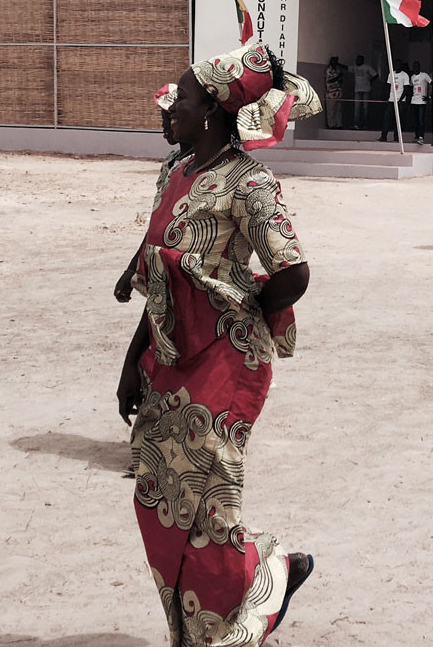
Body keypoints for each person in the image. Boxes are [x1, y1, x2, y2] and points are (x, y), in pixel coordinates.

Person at [116, 42, 320, 646]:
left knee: (207, 506)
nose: (170, 106)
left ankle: (238, 611)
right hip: (169, 356)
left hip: (227, 363)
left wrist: (239, 310)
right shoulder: (173, 172)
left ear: (210, 109)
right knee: (157, 498)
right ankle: (252, 585)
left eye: (180, 96)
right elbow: (162, 271)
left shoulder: (250, 182)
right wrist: (131, 361)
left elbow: (293, 273)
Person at [114, 84, 193, 304]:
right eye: (163, 118)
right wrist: (131, 270)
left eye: (169, 118)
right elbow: (158, 223)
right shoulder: (172, 162)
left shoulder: (198, 166)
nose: (164, 125)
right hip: (162, 268)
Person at [378, 61, 411, 142]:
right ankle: (383, 136)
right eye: (395, 65)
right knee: (387, 119)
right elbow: (388, 86)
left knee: (398, 120)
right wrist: (387, 97)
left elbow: (406, 89)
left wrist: (400, 100)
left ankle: (396, 137)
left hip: (400, 101)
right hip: (391, 100)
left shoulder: (404, 75)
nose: (396, 66)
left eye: (398, 65)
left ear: (401, 66)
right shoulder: (391, 74)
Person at [409, 60, 433, 144]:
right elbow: (410, 89)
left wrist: (429, 96)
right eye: (414, 66)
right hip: (414, 101)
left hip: (422, 102)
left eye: (417, 66)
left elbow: (432, 84)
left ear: (419, 67)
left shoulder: (424, 75)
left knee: (421, 120)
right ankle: (416, 136)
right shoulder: (412, 77)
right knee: (415, 121)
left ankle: (421, 137)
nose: (415, 68)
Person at [350, 54, 377, 129]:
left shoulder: (367, 67)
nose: (357, 61)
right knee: (357, 108)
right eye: (356, 59)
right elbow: (347, 68)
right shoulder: (354, 67)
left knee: (366, 108)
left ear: (362, 60)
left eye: (359, 59)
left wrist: (370, 81)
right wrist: (338, 64)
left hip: (366, 90)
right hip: (357, 90)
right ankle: (356, 124)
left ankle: (366, 124)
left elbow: (376, 75)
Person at [323, 56, 347, 129]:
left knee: (338, 110)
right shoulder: (328, 70)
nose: (335, 63)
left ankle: (338, 124)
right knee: (331, 110)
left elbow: (339, 80)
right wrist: (338, 77)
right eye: (333, 61)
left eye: (336, 61)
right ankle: (331, 125)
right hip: (331, 93)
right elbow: (329, 80)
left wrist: (340, 80)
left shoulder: (337, 70)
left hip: (338, 92)